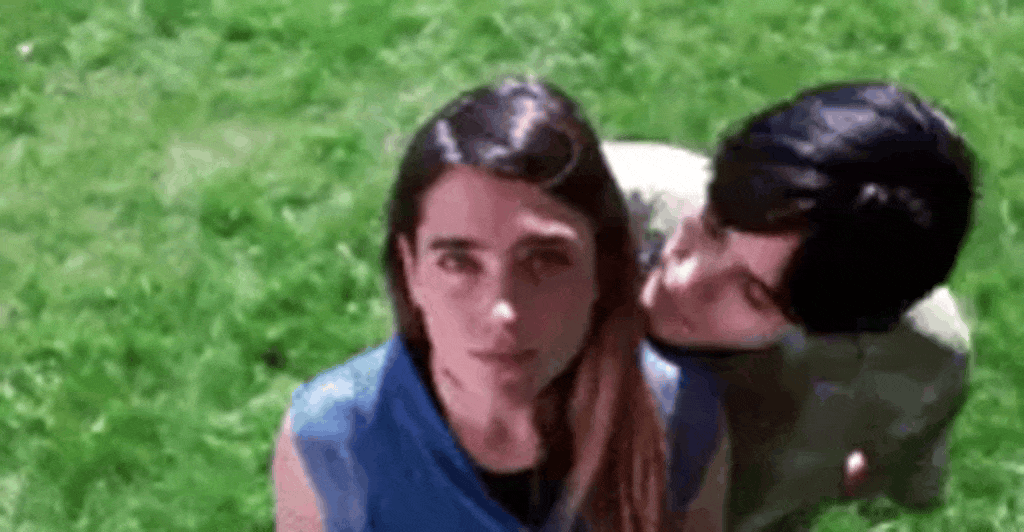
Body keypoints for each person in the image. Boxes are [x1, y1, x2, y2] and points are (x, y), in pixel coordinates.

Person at [271, 78, 729, 532]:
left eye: (543, 260)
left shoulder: (680, 416)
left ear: (601, 268)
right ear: (411, 272)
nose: (502, 310)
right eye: (458, 262)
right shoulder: (332, 441)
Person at [605, 82, 975, 531]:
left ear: (837, 329)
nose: (685, 279)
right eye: (713, 226)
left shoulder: (912, 354)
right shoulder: (584, 209)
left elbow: (890, 472)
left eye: (752, 294)